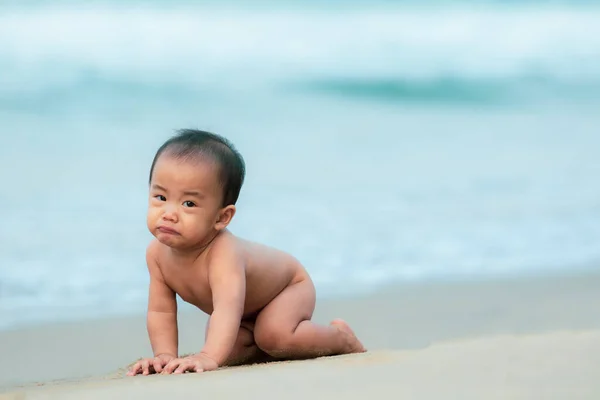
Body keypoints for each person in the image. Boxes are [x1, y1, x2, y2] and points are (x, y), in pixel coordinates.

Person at [127, 129, 365, 376]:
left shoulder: (223, 254)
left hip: (288, 288)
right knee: (231, 353)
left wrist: (208, 356)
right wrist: (164, 356)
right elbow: (161, 310)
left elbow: (227, 309)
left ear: (222, 217)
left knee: (274, 336)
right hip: (244, 312)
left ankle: (341, 338)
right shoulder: (156, 254)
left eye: (189, 203)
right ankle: (267, 347)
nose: (169, 213)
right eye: (160, 196)